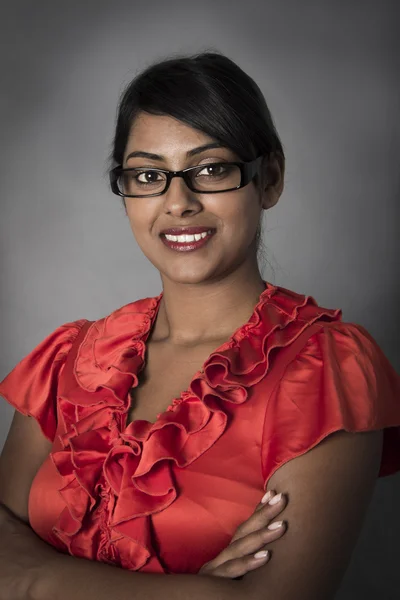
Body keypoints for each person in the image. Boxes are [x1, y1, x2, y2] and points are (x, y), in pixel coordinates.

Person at [0, 50, 399, 600]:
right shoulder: (73, 358)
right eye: (148, 175)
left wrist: (32, 578)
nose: (178, 202)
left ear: (270, 178)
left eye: (211, 169)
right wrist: (192, 591)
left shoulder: (326, 372)